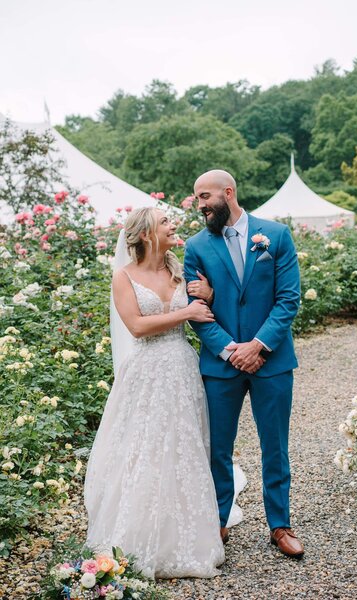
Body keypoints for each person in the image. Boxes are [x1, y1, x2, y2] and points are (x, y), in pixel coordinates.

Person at [84, 207, 225, 579]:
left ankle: (189, 534)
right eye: (165, 221)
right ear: (146, 233)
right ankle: (139, 532)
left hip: (182, 368)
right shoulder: (124, 277)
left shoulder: (180, 270)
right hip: (145, 372)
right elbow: (136, 326)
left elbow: (205, 310)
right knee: (144, 448)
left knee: (184, 447)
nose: (173, 224)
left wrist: (208, 296)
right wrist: (187, 313)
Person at [184, 169, 304, 558]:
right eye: (197, 199)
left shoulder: (276, 235)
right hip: (222, 365)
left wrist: (259, 346)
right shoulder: (196, 247)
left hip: (272, 360)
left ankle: (280, 525)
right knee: (218, 447)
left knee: (275, 445)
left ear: (228, 192)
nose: (199, 205)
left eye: (204, 197)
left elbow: (288, 300)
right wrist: (232, 349)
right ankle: (218, 521)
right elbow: (196, 310)